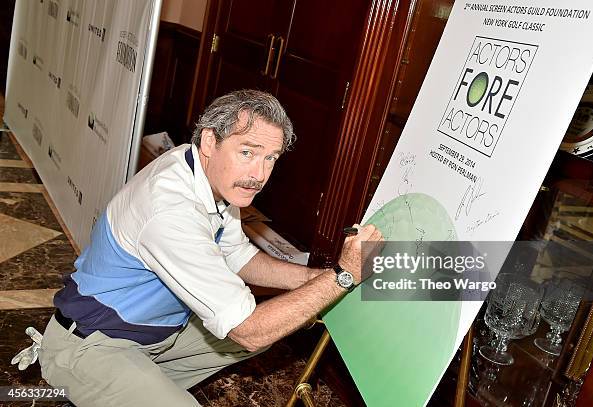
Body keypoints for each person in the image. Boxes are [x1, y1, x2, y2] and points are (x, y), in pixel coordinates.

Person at [37, 89, 383, 406]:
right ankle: (92, 387)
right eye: (247, 152)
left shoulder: (205, 172)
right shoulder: (170, 210)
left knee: (278, 324)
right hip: (92, 345)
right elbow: (247, 330)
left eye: (271, 158)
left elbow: (238, 256)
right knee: (258, 329)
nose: (259, 174)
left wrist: (314, 279)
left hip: (156, 337)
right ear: (209, 141)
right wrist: (343, 276)